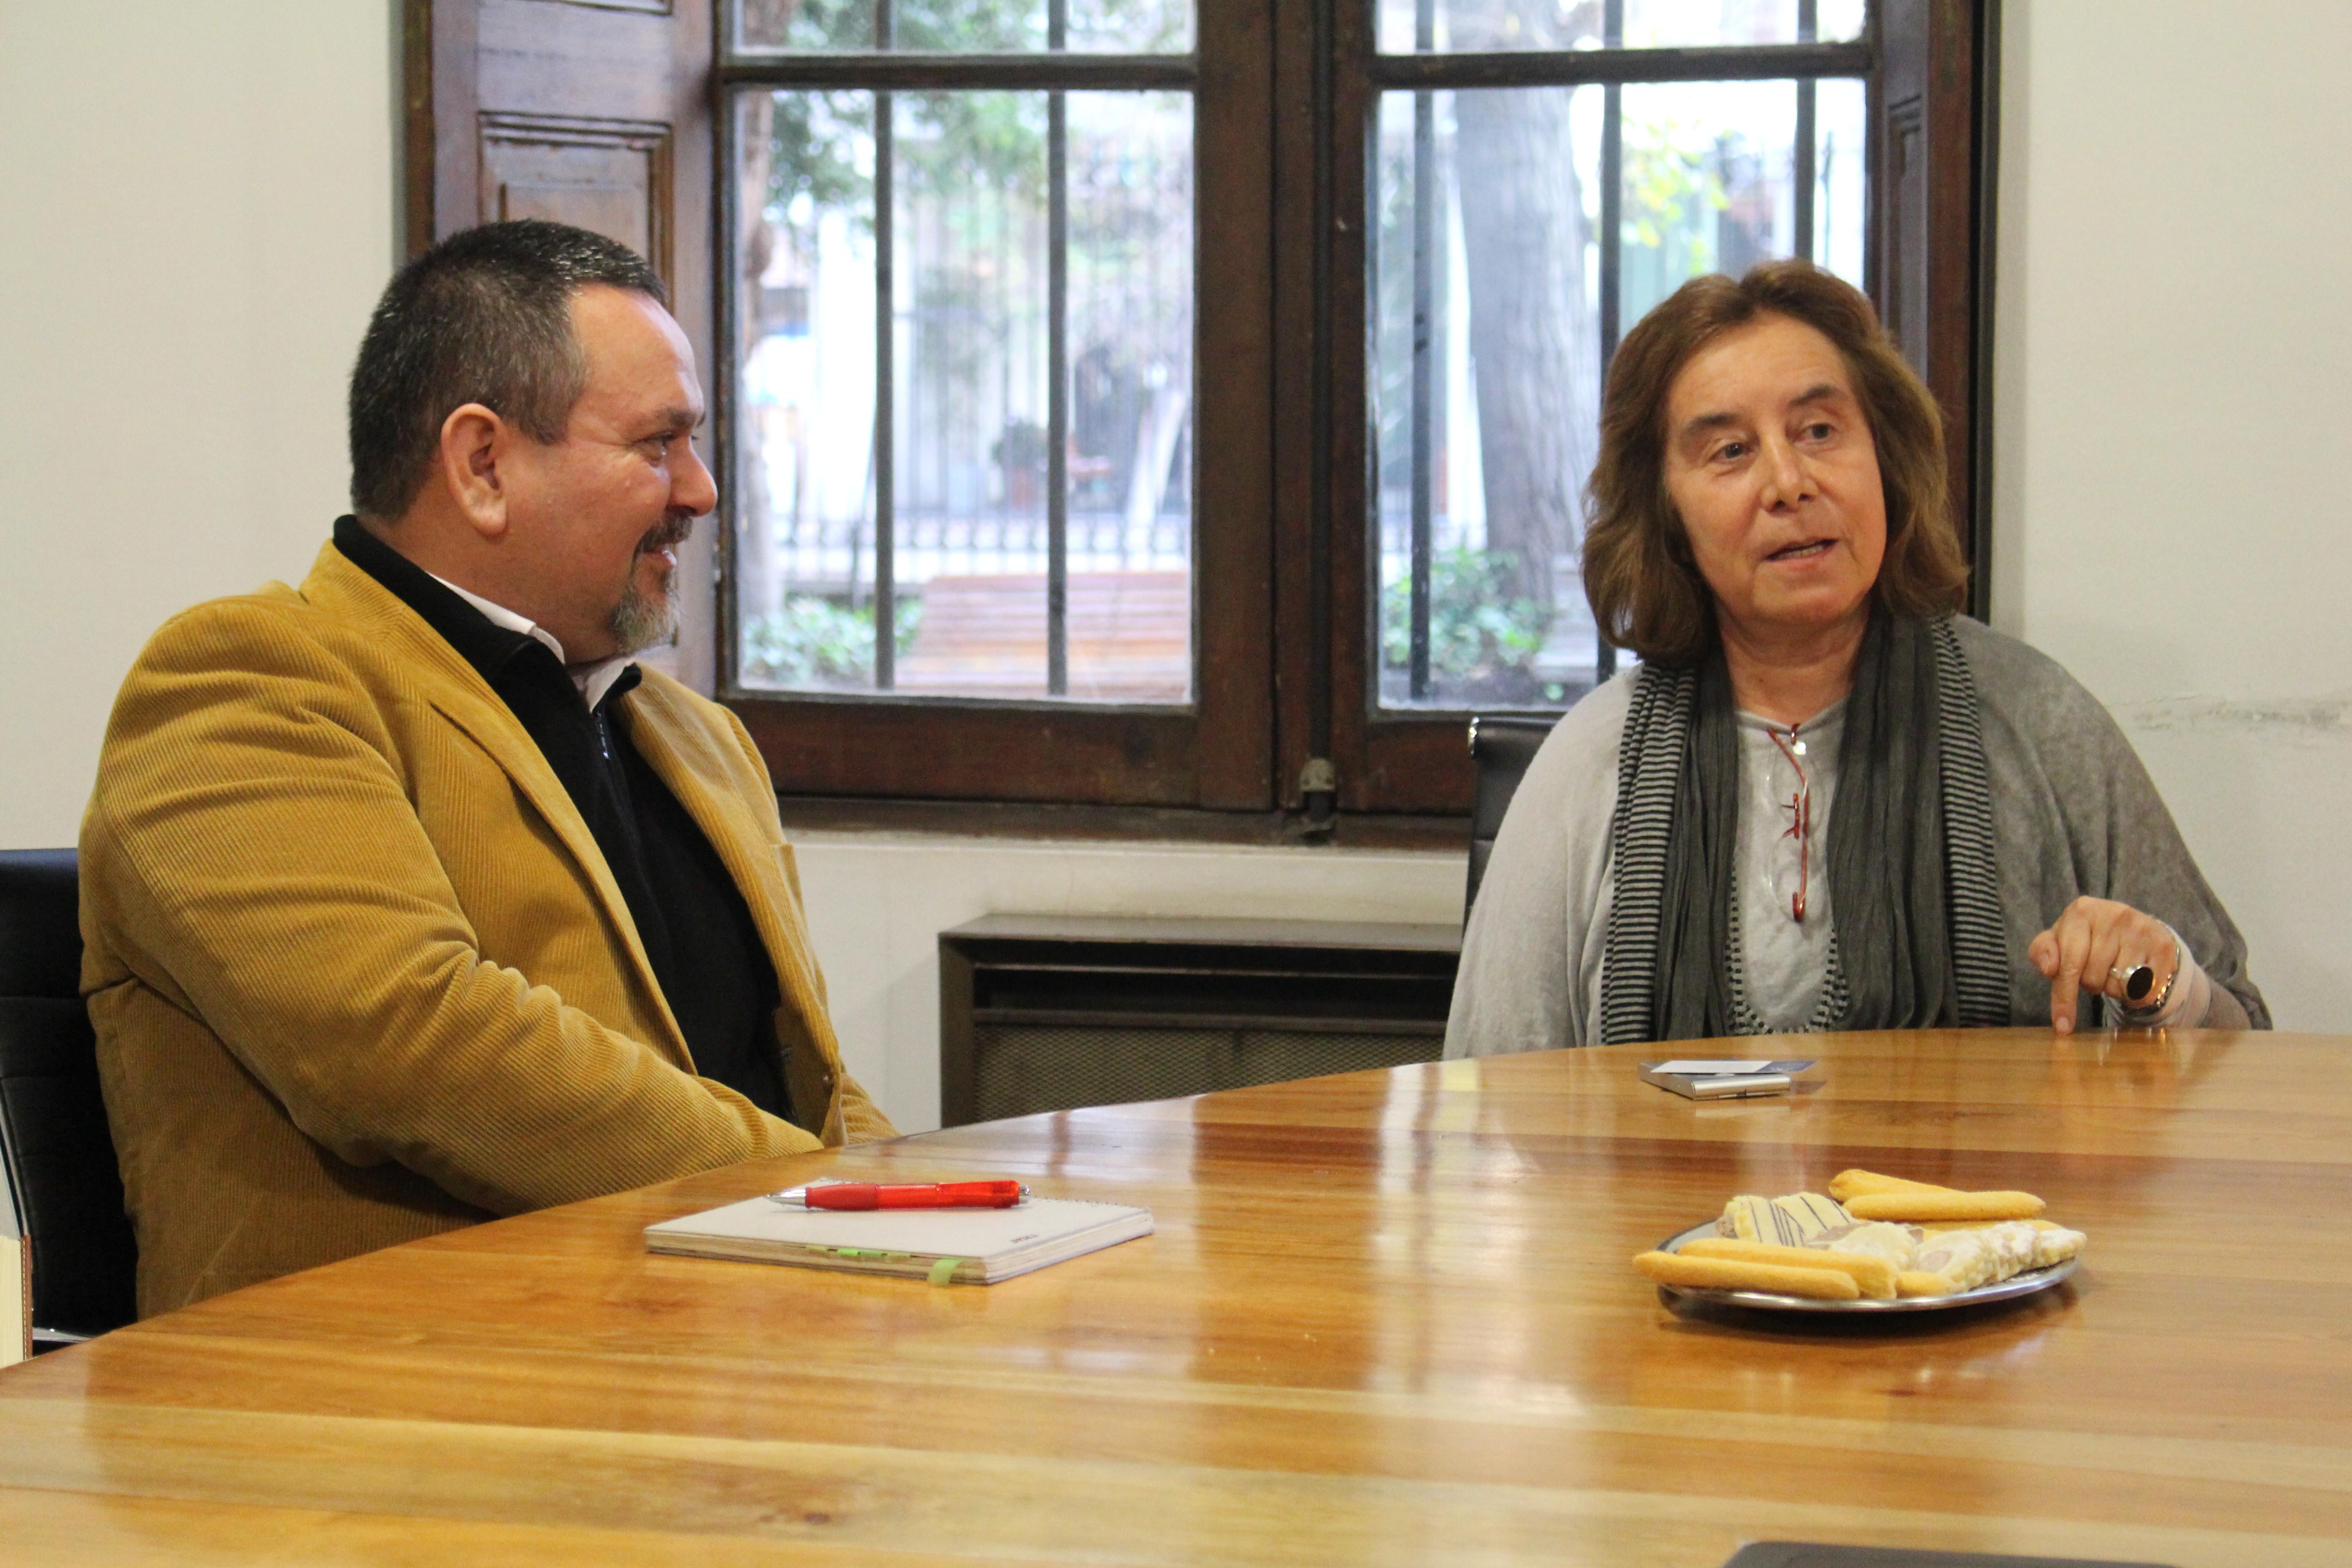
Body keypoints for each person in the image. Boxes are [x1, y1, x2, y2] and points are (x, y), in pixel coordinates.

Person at [81, 220, 896, 1316]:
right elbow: (415, 1044)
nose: (700, 492)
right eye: (659, 444)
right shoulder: (248, 679)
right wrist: (808, 1193)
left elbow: (817, 1085)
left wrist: (942, 1209)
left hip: (727, 1375)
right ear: (482, 465)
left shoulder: (698, 737)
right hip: (400, 1427)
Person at [1446, 260, 2265, 1056]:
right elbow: (1488, 1116)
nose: (1788, 481)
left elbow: (2245, 1051)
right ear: (1666, 518)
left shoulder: (2039, 722)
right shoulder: (1592, 766)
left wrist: (2163, 987)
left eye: (1819, 431)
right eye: (1730, 451)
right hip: (1654, 1202)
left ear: (1887, 459)